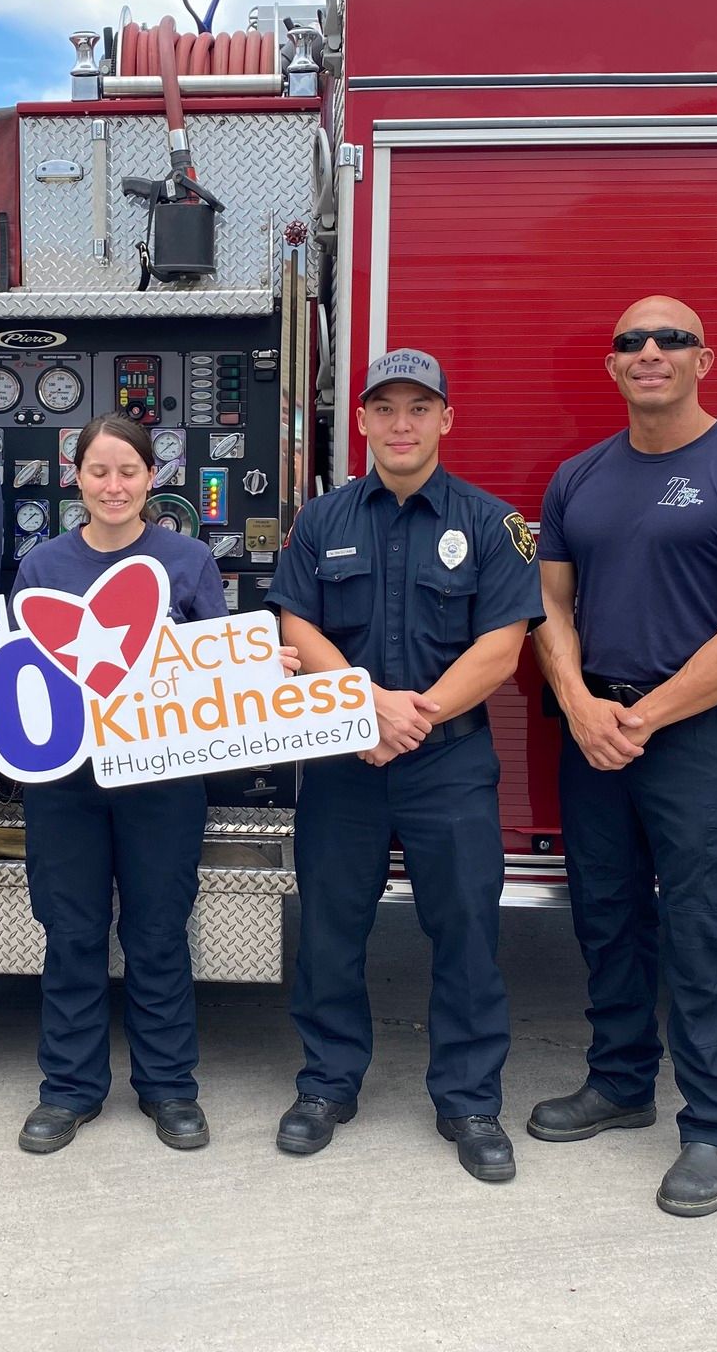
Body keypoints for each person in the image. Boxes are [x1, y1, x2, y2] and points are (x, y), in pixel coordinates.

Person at [531, 295, 717, 1217]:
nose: (650, 351)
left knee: (699, 930)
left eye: (670, 339)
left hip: (687, 734)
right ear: (612, 366)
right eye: (630, 342)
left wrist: (639, 717)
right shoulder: (578, 479)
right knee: (605, 916)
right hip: (595, 728)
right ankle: (619, 1083)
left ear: (704, 360)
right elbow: (552, 608)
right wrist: (576, 702)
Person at [266, 349, 542, 1182]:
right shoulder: (322, 521)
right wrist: (364, 706)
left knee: (465, 930)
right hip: (344, 763)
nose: (400, 424)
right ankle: (326, 1085)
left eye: (418, 408)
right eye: (384, 409)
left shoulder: (493, 524)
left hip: (447, 763)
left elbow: (502, 648)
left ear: (445, 420)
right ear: (361, 422)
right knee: (330, 930)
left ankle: (469, 1101)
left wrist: (410, 716)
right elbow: (293, 624)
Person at [6, 416, 268, 1154]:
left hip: (162, 783)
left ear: (153, 477)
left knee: (157, 934)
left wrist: (258, 671)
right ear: (76, 479)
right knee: (72, 932)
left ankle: (169, 1088)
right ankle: (68, 1089)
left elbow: (216, 668)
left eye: (128, 471)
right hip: (65, 784)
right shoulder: (43, 566)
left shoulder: (186, 561)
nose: (114, 485)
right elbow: (15, 673)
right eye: (98, 471)